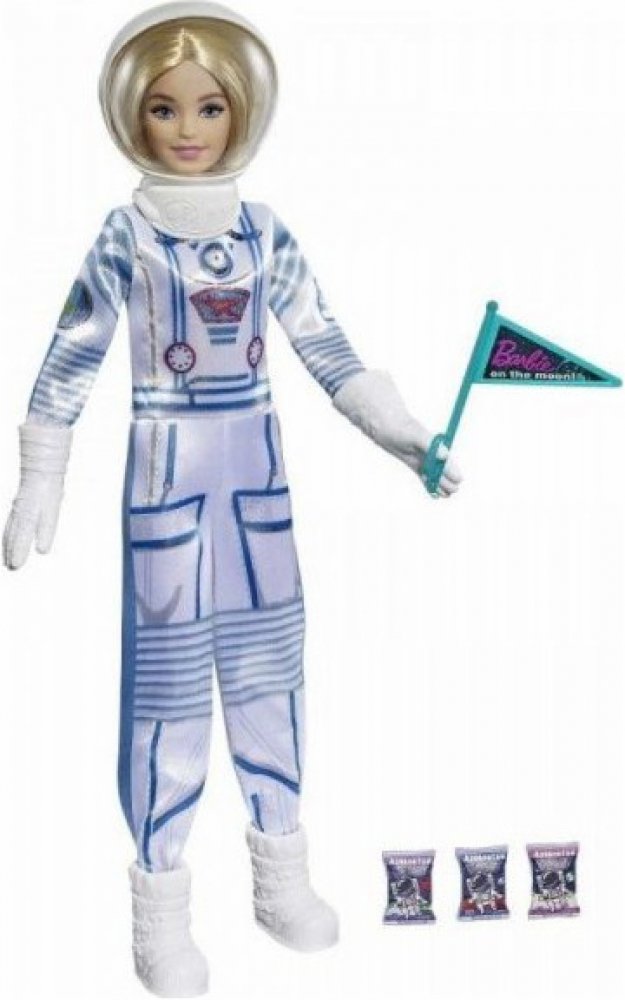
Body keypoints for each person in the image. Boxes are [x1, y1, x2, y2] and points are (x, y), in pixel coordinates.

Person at [2, 2, 461, 995]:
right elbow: (73, 349)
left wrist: (404, 435)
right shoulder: (125, 235)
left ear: (242, 111)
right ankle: (160, 905)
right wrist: (43, 465)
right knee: (165, 688)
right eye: (164, 107)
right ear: (131, 114)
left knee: (269, 669)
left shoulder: (265, 232)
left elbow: (325, 342)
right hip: (165, 473)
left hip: (257, 473)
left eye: (209, 107)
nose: (188, 128)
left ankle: (279, 873)